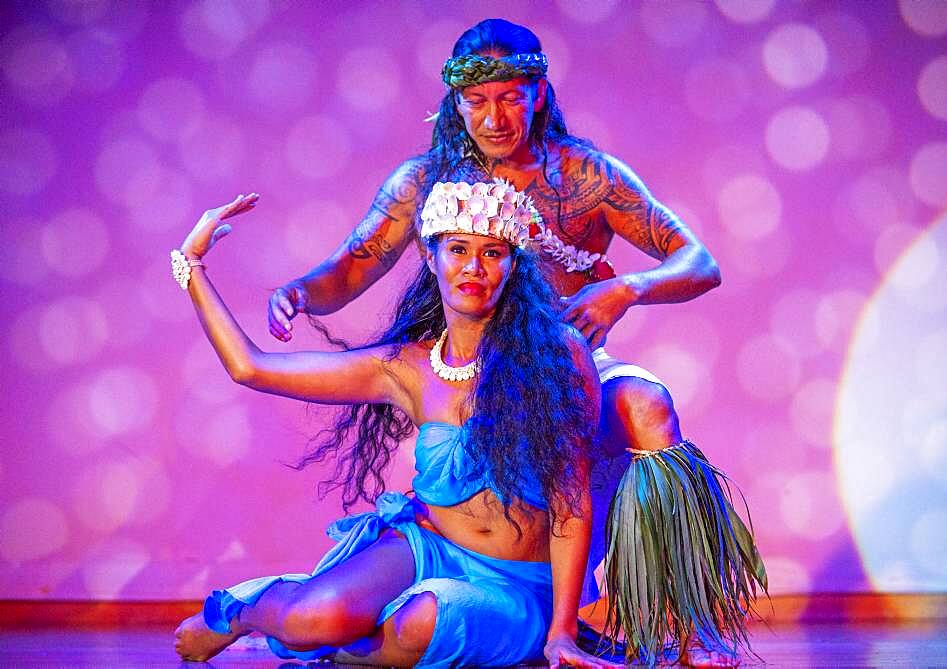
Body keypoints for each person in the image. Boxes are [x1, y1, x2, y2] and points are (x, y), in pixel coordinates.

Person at [265, 18, 765, 666]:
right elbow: (355, 264)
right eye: (477, 100)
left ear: (538, 93)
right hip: (473, 374)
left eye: (509, 96)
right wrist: (301, 291)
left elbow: (697, 260)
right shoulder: (426, 181)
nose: (494, 115)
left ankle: (687, 626)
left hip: (569, 367)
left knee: (647, 405)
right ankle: (484, 611)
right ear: (455, 103)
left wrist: (627, 288)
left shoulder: (585, 175)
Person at [170, 183, 619, 667]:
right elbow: (251, 367)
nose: (473, 267)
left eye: (492, 252)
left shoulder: (557, 354)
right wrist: (192, 266)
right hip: (428, 547)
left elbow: (570, 504)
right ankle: (246, 612)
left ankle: (352, 633)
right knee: (313, 620)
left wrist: (563, 633)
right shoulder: (407, 367)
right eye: (458, 250)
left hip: (518, 581)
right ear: (431, 258)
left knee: (419, 623)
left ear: (513, 265)